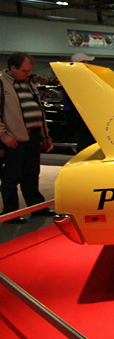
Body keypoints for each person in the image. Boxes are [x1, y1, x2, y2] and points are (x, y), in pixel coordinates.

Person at [0, 53, 54, 223]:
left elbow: (40, 111)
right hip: (14, 139)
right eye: (24, 71)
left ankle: (36, 206)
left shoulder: (29, 85)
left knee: (31, 174)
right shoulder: (2, 84)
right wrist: (3, 135)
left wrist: (45, 136)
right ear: (13, 68)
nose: (28, 74)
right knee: (11, 176)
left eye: (29, 71)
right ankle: (10, 212)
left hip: (33, 136)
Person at [63, 53, 96, 151]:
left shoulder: (75, 78)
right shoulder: (73, 80)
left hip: (85, 117)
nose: (89, 64)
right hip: (81, 118)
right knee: (84, 144)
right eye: (87, 62)